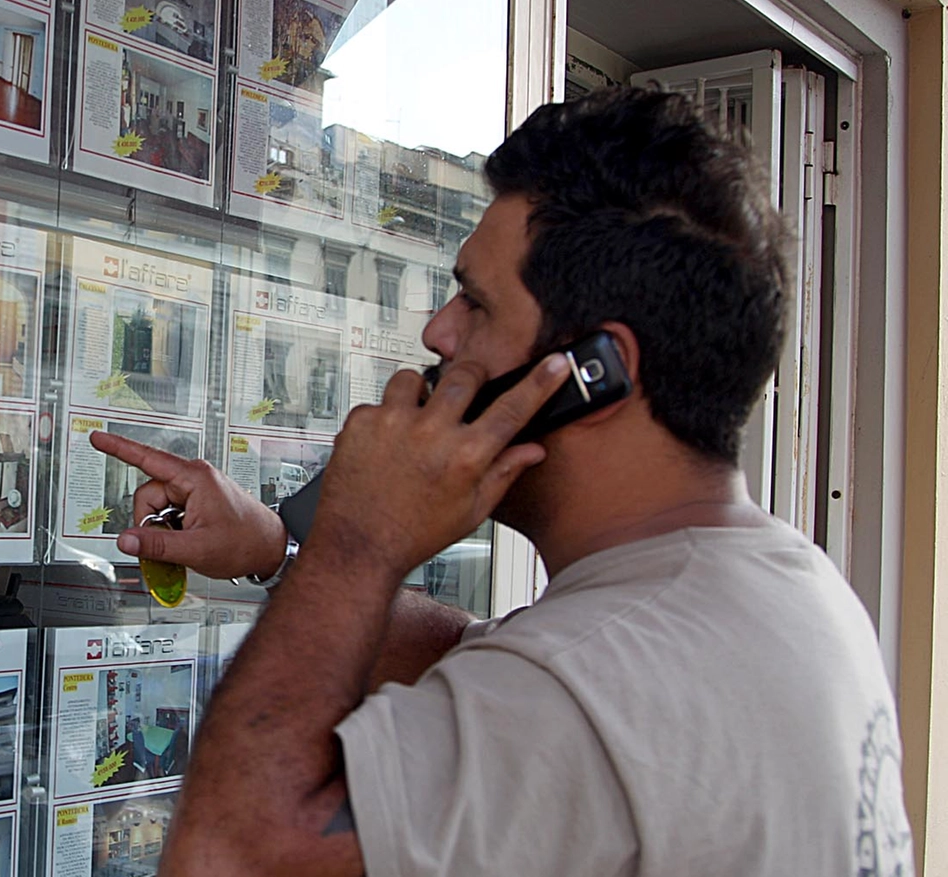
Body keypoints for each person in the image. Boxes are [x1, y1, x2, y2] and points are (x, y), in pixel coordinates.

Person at [89, 87, 914, 876]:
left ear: (596, 373)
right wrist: (279, 549)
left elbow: (224, 856)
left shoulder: (582, 690)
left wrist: (358, 541)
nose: (436, 331)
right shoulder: (778, 586)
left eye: (475, 304)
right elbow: (482, 657)